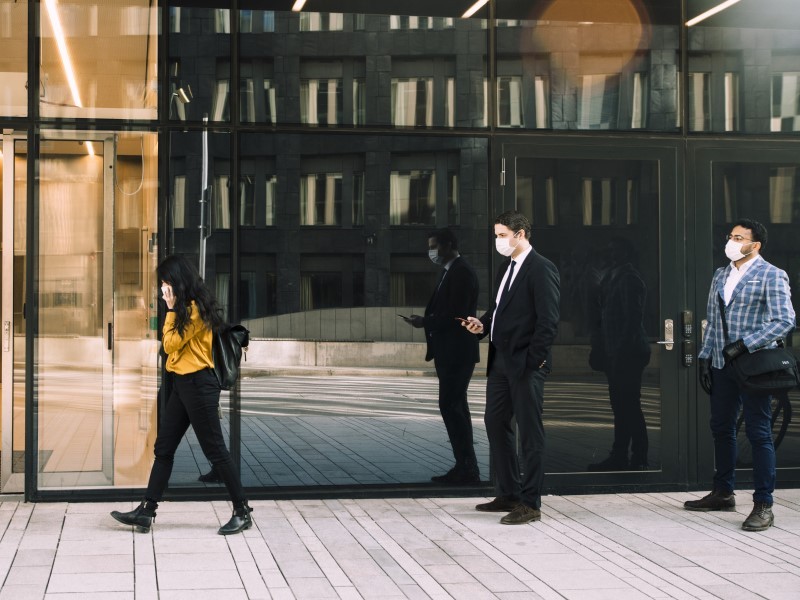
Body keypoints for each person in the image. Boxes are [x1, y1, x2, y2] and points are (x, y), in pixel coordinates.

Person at [111, 255, 254, 536]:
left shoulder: (194, 310)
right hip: (182, 384)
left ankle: (242, 511)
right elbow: (173, 349)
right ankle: (146, 512)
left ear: (178, 281)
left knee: (215, 450)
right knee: (164, 448)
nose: (163, 288)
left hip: (199, 385)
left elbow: (169, 343)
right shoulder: (188, 308)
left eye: (166, 282)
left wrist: (171, 308)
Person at [686, 219, 795, 532]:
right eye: (730, 236)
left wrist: (744, 345)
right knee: (721, 427)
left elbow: (783, 320)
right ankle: (723, 492)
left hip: (754, 367)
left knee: (759, 431)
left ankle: (764, 503)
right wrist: (706, 358)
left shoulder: (772, 275)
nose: (731, 242)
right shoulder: (721, 274)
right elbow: (713, 321)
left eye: (738, 237)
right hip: (722, 367)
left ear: (755, 244)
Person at [462, 211, 560, 525]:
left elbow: (548, 322)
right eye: (496, 235)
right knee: (495, 422)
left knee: (530, 434)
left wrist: (535, 362)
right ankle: (509, 493)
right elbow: (498, 309)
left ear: (520, 234)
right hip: (501, 361)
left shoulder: (541, 269)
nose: (498, 241)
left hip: (525, 364)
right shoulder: (507, 267)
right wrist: (483, 324)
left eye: (502, 235)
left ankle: (530, 503)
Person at [403, 228, 481, 485]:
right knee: (454, 407)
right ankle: (465, 466)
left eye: (434, 246)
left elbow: (456, 315)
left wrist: (425, 321)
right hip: (452, 351)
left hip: (457, 351)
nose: (431, 252)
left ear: (448, 245)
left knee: (453, 407)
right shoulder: (451, 272)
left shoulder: (461, 272)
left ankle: (467, 468)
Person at [588, 237, 651, 471]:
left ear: (624, 254)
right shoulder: (612, 278)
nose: (609, 254)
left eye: (614, 250)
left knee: (629, 405)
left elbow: (632, 320)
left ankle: (638, 457)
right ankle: (621, 454)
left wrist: (619, 353)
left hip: (628, 353)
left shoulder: (629, 279)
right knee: (622, 405)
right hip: (617, 352)